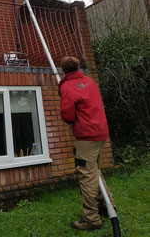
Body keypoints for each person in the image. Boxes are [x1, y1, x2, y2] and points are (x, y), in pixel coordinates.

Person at [58, 56, 115, 231]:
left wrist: (63, 91)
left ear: (64, 70)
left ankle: (91, 218)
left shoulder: (68, 87)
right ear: (78, 67)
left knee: (86, 175)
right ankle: (108, 205)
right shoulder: (90, 82)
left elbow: (67, 117)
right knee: (94, 171)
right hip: (101, 133)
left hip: (87, 137)